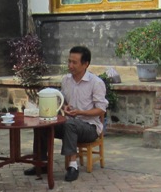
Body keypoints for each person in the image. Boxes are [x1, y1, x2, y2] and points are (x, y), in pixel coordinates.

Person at [25, 45, 107, 182]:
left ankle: (72, 166)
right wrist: (65, 106)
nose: (70, 65)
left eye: (74, 62)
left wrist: (80, 112)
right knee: (42, 123)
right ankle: (41, 162)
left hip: (90, 127)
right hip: (69, 123)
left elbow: (101, 109)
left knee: (70, 124)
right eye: (69, 61)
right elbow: (62, 100)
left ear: (86, 64)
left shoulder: (96, 83)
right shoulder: (66, 80)